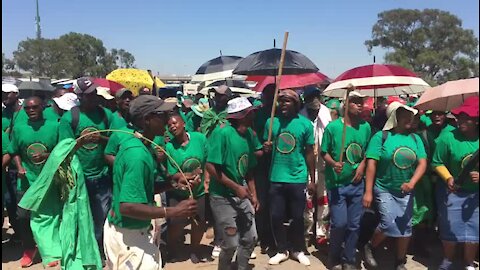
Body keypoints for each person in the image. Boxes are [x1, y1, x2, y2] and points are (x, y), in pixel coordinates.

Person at [103, 95, 199, 269]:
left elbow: (142, 190)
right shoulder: (137, 155)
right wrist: (173, 211)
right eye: (162, 115)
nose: (168, 120)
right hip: (128, 237)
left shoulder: (141, 145)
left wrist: (172, 182)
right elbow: (128, 206)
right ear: (147, 120)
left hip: (131, 231)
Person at [363, 102, 427, 270]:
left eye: (410, 115)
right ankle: (370, 245)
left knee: (405, 227)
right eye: (404, 115)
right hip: (384, 188)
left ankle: (399, 261)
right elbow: (371, 165)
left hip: (406, 190)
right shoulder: (381, 137)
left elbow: (422, 163)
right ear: (394, 117)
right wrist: (368, 192)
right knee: (389, 223)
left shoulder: (415, 138)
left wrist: (412, 182)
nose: (409, 119)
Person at [58, 77, 113, 260]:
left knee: (102, 217)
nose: (94, 97)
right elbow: (64, 150)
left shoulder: (106, 115)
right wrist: (80, 143)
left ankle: (99, 252)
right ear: (79, 96)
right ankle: (83, 252)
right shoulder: (70, 118)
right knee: (82, 218)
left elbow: (117, 139)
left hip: (102, 177)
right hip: (80, 178)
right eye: (89, 95)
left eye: (95, 93)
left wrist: (101, 139)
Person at [206, 97, 260, 270]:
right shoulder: (222, 133)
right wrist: (236, 187)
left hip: (242, 194)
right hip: (222, 197)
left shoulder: (249, 135)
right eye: (251, 113)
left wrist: (254, 195)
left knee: (250, 238)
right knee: (230, 243)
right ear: (243, 115)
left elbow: (249, 168)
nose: (253, 116)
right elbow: (211, 167)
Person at [263, 89, 315, 266]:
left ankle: (297, 249)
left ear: (296, 104)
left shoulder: (306, 125)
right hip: (276, 177)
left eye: (287, 101)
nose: (283, 104)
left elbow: (309, 153)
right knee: (276, 216)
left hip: (297, 178)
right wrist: (266, 148)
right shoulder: (271, 123)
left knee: (297, 217)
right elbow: (264, 151)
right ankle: (281, 249)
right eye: (281, 101)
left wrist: (312, 180)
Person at [321, 91, 371, 270]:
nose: (360, 105)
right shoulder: (333, 128)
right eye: (356, 102)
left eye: (361, 102)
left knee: (354, 225)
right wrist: (334, 163)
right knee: (340, 223)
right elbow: (323, 152)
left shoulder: (365, 127)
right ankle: (333, 256)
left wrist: (362, 166)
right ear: (346, 104)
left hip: (357, 184)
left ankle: (349, 259)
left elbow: (367, 153)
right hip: (337, 184)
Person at [8, 96, 60, 267]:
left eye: (35, 107)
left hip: (49, 180)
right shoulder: (20, 129)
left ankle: (52, 250)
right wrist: (19, 167)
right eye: (28, 108)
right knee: (22, 216)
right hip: (27, 181)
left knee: (51, 215)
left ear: (43, 107)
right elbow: (14, 151)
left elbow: (62, 150)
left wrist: (46, 156)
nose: (31, 111)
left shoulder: (54, 127)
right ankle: (29, 249)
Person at [432, 96, 479, 270]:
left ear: (476, 120)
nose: (461, 120)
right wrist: (448, 178)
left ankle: (468, 262)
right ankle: (448, 259)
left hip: (476, 194)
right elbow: (437, 162)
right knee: (450, 228)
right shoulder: (447, 137)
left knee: (474, 230)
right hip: (454, 192)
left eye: (467, 117)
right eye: (460, 116)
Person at [165, 113, 209, 264]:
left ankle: (195, 249)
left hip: (199, 191)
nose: (172, 126)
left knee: (199, 222)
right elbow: (172, 173)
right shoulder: (169, 147)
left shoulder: (199, 138)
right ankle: (172, 249)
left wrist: (205, 179)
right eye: (169, 125)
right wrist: (187, 178)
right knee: (176, 224)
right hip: (178, 193)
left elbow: (207, 161)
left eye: (175, 123)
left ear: (183, 123)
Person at [300, 87, 332, 246]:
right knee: (307, 200)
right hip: (306, 165)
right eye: (311, 97)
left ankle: (321, 234)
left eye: (316, 96)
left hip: (324, 164)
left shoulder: (327, 114)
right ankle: (306, 234)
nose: (314, 100)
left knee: (323, 200)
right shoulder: (300, 116)